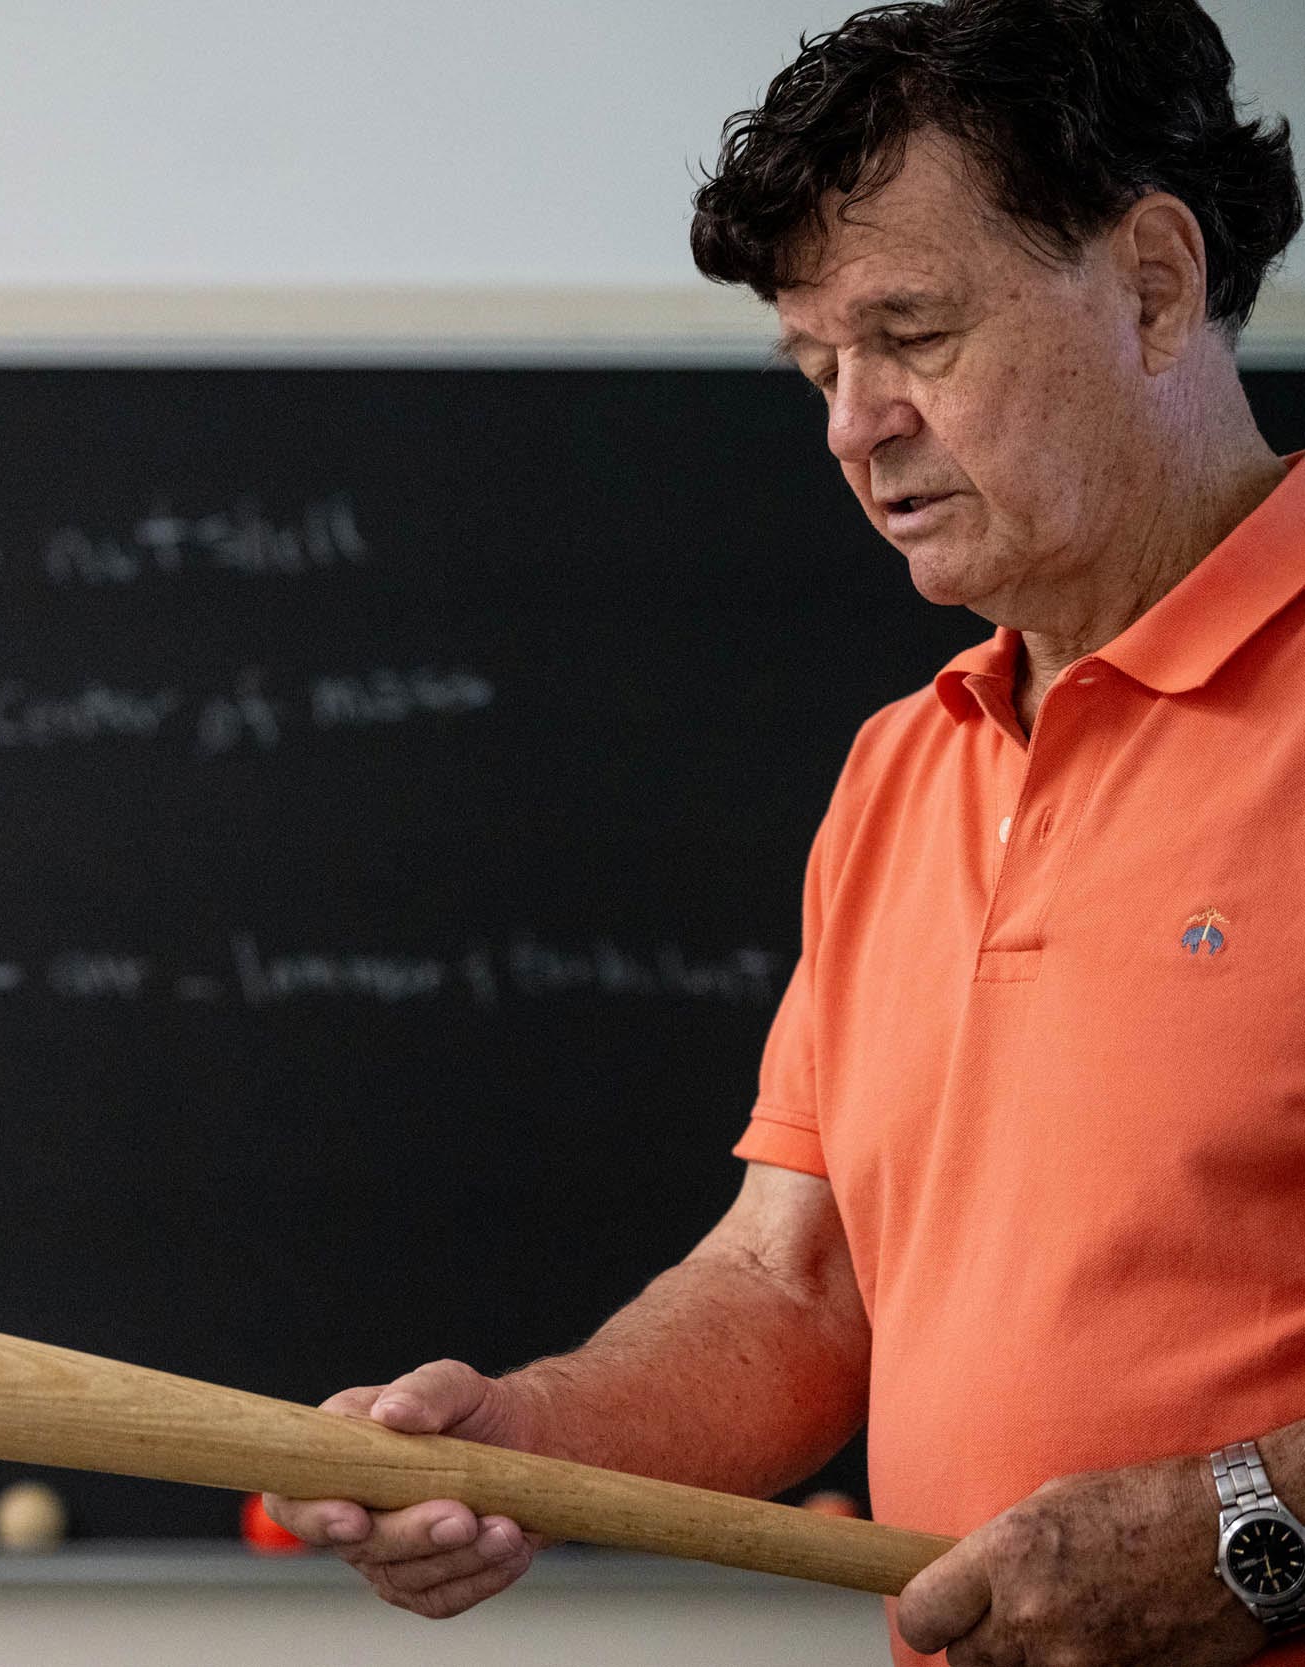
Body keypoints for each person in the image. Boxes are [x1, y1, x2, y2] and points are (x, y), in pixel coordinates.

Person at [264, 3, 1305, 1663]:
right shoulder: (905, 767)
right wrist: (534, 1442)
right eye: (820, 365)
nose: (853, 424)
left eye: (914, 333)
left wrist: (1252, 1537)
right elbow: (796, 1287)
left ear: (1155, 287)